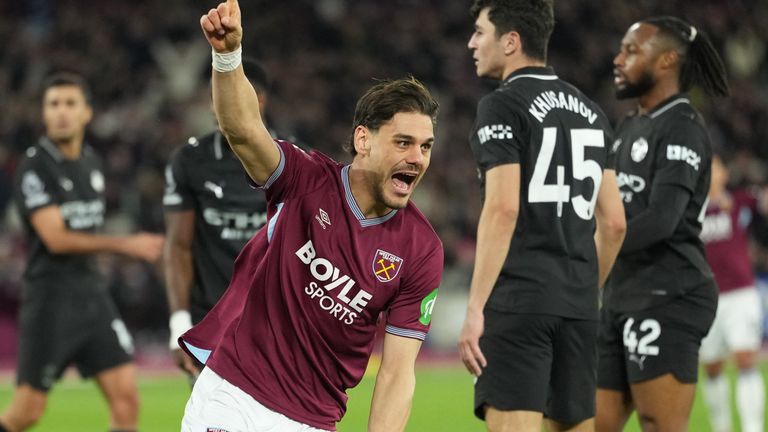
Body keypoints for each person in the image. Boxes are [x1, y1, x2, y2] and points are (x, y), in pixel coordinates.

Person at [179, 1, 443, 431]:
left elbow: (397, 374)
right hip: (234, 397)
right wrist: (227, 56)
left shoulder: (421, 249)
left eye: (426, 146)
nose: (417, 158)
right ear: (364, 139)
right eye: (403, 142)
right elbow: (244, 130)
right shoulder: (305, 179)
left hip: (315, 421)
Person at [458, 1, 626, 431]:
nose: (472, 43)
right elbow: (613, 223)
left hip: (520, 302)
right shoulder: (592, 111)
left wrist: (475, 307)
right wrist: (583, 289)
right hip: (579, 306)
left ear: (511, 41)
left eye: (480, 32)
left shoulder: (503, 105)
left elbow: (503, 207)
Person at [0, 73, 164, 432]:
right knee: (26, 413)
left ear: (86, 113)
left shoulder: (91, 163)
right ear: (44, 113)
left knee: (126, 400)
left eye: (70, 104)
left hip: (93, 298)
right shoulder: (34, 166)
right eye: (54, 104)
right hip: (49, 302)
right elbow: (56, 239)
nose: (61, 112)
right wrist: (125, 244)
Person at [596, 17, 730, 432]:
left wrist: (588, 250)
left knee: (660, 424)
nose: (618, 59)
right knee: (582, 421)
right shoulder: (630, 126)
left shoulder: (682, 127)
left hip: (669, 294)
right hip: (620, 295)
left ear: (668, 60)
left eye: (631, 51)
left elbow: (662, 219)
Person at [164, 58, 282, 379]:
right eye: (214, 95)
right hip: (210, 322)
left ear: (259, 100)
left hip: (275, 323)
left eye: (227, 94)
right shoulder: (190, 161)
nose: (218, 106)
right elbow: (178, 247)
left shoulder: (294, 161)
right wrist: (179, 322)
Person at [699, 154, 765, 432]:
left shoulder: (740, 202)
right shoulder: (692, 212)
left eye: (715, 167)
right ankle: (721, 426)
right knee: (712, 367)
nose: (712, 173)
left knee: (745, 359)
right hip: (706, 297)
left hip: (740, 294)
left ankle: (753, 427)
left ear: (725, 173)